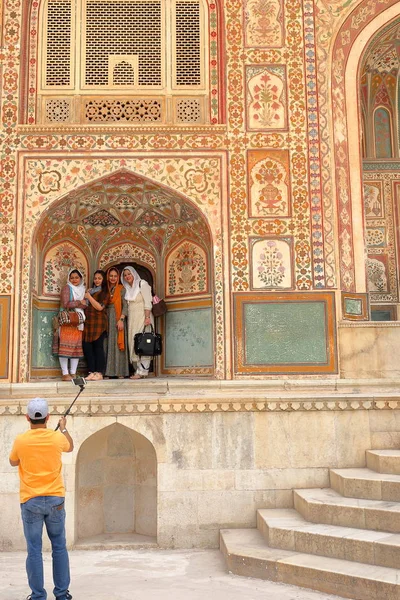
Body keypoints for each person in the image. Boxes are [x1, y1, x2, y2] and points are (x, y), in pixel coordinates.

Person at [9, 397, 73, 600]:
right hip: (55, 499)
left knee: (34, 550)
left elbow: (13, 462)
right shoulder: (56, 438)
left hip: (31, 500)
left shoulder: (21, 440)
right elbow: (69, 446)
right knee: (59, 547)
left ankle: (38, 596)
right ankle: (62, 594)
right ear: (48, 417)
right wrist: (62, 428)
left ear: (27, 417)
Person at [121, 266, 154, 379]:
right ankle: (137, 370)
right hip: (132, 319)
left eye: (129, 274)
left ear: (134, 274)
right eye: (125, 275)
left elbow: (148, 301)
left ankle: (143, 371)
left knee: (144, 343)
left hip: (143, 316)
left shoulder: (142, 284)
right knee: (134, 342)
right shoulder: (126, 288)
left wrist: (147, 317)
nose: (127, 277)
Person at [57, 269, 86, 382]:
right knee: (65, 347)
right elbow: (65, 304)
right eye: (72, 277)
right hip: (67, 322)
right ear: (69, 279)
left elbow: (86, 305)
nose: (74, 280)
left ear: (80, 279)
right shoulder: (67, 288)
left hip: (78, 322)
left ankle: (73, 374)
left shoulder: (82, 290)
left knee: (75, 348)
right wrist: (79, 302)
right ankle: (65, 373)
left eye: (76, 277)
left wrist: (81, 303)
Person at [83, 270, 109, 381]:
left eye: (99, 278)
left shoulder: (104, 292)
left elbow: (100, 307)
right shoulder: (91, 291)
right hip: (88, 323)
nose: (97, 280)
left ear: (103, 280)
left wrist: (89, 297)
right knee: (87, 347)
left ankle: (99, 372)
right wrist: (87, 296)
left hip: (99, 323)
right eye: (95, 278)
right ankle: (91, 371)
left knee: (98, 348)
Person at [104, 267, 129, 379]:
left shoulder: (122, 289)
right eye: (111, 276)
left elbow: (126, 305)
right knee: (107, 344)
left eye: (115, 276)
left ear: (118, 277)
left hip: (118, 318)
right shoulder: (105, 289)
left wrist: (121, 319)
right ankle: (108, 372)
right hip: (106, 318)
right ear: (108, 277)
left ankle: (120, 372)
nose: (113, 278)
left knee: (118, 346)